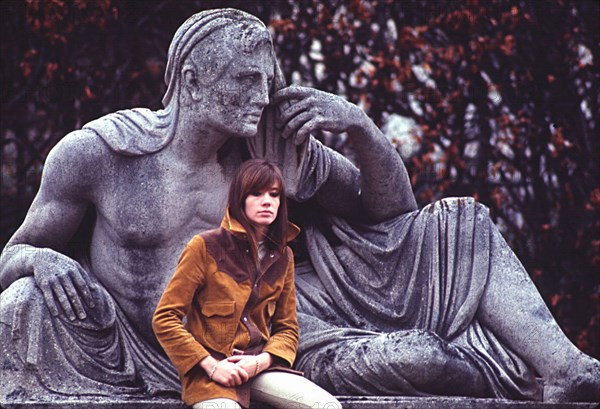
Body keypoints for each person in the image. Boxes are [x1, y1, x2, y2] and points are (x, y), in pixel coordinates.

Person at [0, 8, 598, 404]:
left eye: (266, 80)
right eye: (243, 80)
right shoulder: (98, 154)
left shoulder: (269, 151)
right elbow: (13, 253)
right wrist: (40, 261)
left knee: (458, 224)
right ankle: (498, 374)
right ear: (191, 79)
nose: (262, 96)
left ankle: (565, 368)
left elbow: (393, 217)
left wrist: (362, 130)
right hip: (155, 352)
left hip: (278, 335)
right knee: (428, 360)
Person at [153, 159, 341, 409]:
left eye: (274, 195)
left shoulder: (283, 256)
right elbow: (165, 318)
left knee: (327, 406)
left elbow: (287, 328)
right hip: (211, 375)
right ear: (240, 199)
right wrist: (211, 366)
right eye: (257, 193)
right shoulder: (204, 247)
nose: (267, 201)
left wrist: (260, 362)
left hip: (259, 368)